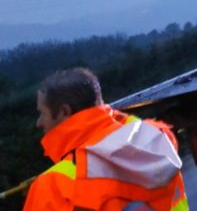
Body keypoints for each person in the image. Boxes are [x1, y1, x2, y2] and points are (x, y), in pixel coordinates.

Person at [24, 67, 188, 211]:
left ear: (64, 112)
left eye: (42, 113)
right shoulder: (153, 137)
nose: (39, 123)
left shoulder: (53, 187)